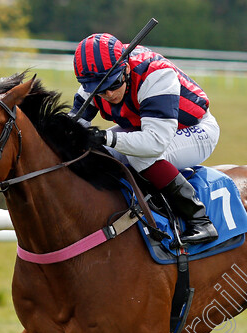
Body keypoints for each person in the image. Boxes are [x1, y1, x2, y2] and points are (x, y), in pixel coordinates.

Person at [69, 33, 220, 245]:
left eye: (114, 84)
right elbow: (71, 129)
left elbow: (154, 143)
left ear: (126, 69)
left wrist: (105, 137)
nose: (109, 94)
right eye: (100, 92)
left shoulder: (155, 75)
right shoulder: (94, 80)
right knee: (94, 155)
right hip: (144, 128)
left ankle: (199, 219)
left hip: (196, 130)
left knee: (140, 156)